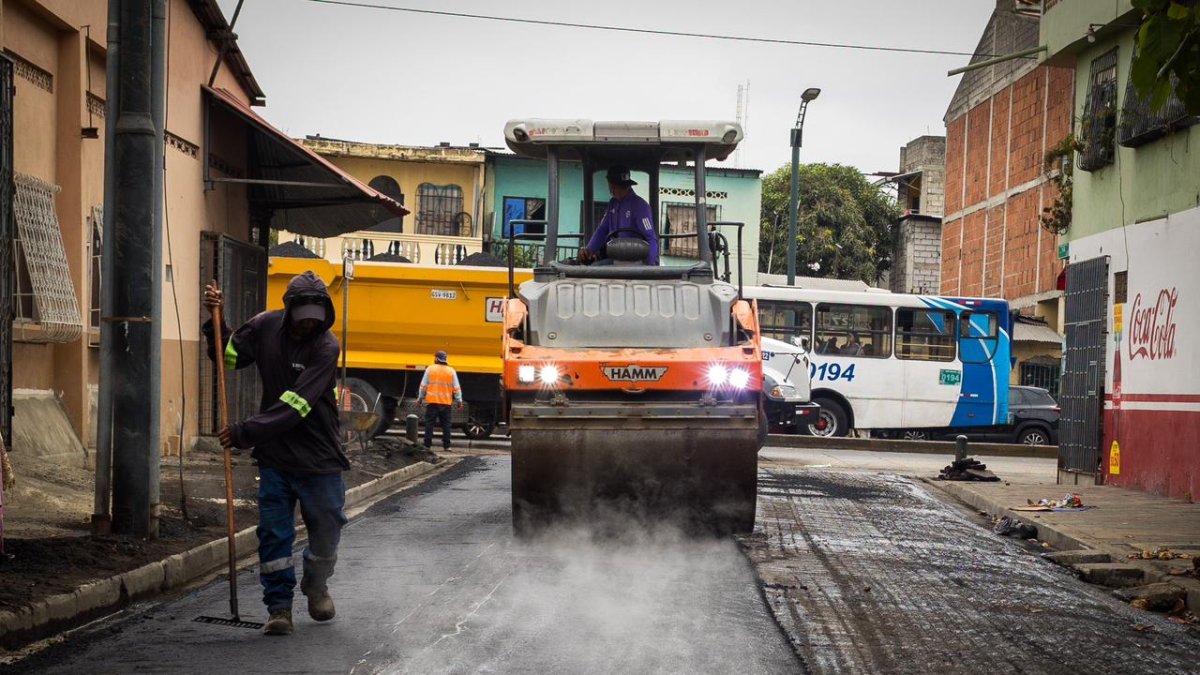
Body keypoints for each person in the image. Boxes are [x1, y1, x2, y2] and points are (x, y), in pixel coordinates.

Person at [203, 272, 349, 637]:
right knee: (273, 534)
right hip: (276, 458)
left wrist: (244, 432)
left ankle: (316, 585)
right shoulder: (265, 327)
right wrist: (215, 324)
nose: (310, 323)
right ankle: (279, 608)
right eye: (304, 317)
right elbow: (229, 357)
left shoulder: (327, 347)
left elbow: (295, 406)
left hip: (319, 458)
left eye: (317, 316)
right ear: (288, 311)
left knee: (326, 534)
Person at [578, 165, 660, 265]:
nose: (616, 189)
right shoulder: (612, 204)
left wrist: (650, 268)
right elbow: (602, 229)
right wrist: (590, 249)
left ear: (628, 185)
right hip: (616, 258)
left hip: (636, 261)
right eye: (615, 185)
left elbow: (650, 237)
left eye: (622, 186)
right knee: (593, 268)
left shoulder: (640, 206)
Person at [418, 350, 463, 451]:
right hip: (446, 403)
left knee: (429, 424)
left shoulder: (430, 369)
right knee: (446, 425)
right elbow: (456, 387)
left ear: (437, 358)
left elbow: (423, 386)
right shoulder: (451, 371)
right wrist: (459, 400)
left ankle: (427, 445)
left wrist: (420, 398)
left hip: (432, 402)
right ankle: (447, 446)